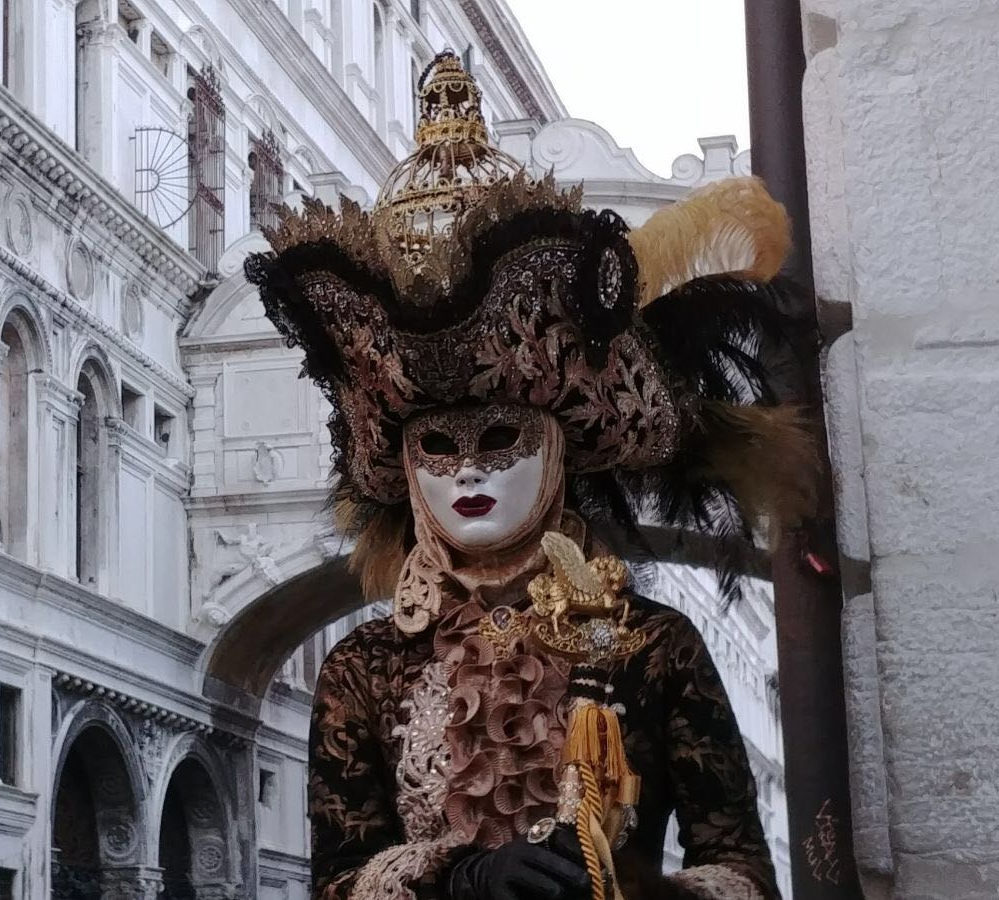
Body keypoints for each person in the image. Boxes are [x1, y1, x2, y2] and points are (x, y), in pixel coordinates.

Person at [245, 52, 813, 900]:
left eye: (503, 436)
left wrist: (633, 892)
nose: (469, 468)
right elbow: (333, 883)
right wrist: (462, 880)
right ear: (402, 467)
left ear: (556, 450)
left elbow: (741, 873)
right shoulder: (365, 667)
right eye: (437, 446)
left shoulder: (653, 650)